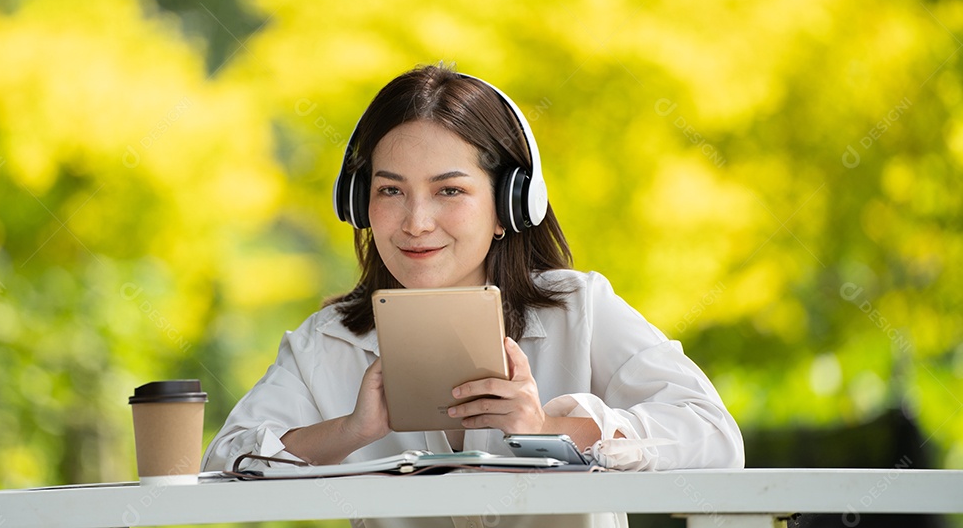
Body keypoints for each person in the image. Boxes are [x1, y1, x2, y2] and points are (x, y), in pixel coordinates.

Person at [203, 64, 744, 528]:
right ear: (358, 203)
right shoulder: (328, 343)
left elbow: (715, 437)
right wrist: (350, 432)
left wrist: (551, 429)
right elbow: (227, 461)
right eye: (390, 190)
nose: (416, 222)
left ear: (510, 206)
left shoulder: (580, 310)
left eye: (450, 191)